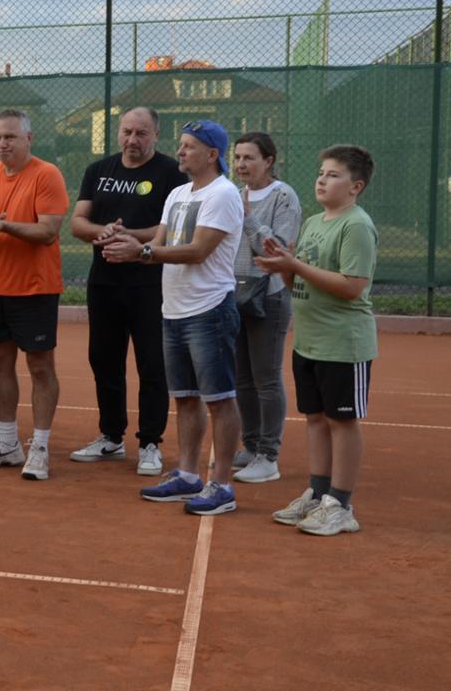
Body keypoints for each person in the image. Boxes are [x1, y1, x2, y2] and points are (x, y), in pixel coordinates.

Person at [103, 120, 245, 516]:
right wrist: (126, 242)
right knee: (184, 398)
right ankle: (187, 474)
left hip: (210, 309)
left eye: (189, 147)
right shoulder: (179, 193)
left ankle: (223, 484)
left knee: (219, 399)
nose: (180, 152)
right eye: (180, 146)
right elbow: (160, 242)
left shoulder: (223, 194)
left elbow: (198, 250)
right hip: (174, 309)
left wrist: (142, 254)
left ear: (212, 154)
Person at [254, 145, 377, 536]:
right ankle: (318, 493)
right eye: (321, 172)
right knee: (316, 420)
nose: (322, 179)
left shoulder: (356, 225)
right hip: (308, 341)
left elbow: (353, 287)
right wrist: (283, 265)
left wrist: (294, 264)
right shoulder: (313, 223)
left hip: (344, 343)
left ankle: (341, 504)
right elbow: (299, 280)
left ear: (356, 186)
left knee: (342, 422)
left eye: (334, 174)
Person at [65, 107, 186, 476]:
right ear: (118, 133)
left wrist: (131, 237)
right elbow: (78, 222)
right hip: (104, 283)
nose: (133, 140)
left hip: (150, 284)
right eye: (127, 132)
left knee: (152, 364)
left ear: (156, 135)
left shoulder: (172, 174)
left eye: (142, 134)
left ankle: (150, 442)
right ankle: (110, 437)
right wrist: (104, 232)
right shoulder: (98, 171)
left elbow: (170, 227)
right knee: (104, 360)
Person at [0, 109, 69, 480]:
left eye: (11, 137)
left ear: (28, 139)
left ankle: (39, 447)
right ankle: (7, 443)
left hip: (36, 287)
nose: (4, 144)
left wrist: (3, 226)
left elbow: (48, 231)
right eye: (0, 138)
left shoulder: (47, 174)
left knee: (40, 367)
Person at [229, 132, 302, 484]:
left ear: (269, 161)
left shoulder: (284, 196)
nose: (241, 164)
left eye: (249, 158)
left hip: (269, 295)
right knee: (242, 376)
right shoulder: (232, 193)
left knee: (266, 377)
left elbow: (279, 251)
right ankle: (252, 445)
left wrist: (248, 219)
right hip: (233, 294)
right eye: (238, 157)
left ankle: (269, 455)